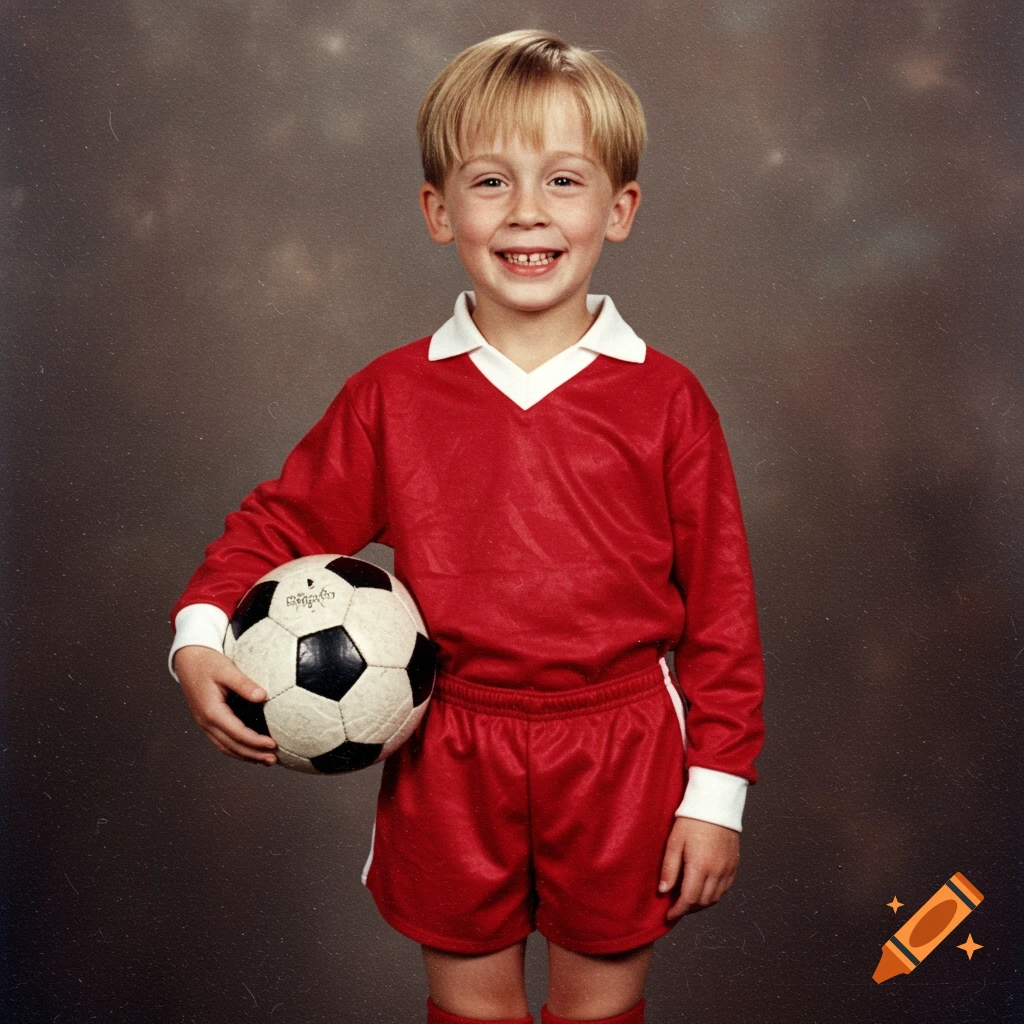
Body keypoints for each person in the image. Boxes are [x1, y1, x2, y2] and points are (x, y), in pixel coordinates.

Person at [169, 29, 765, 1024]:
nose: (527, 211)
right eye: (490, 182)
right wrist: (197, 636)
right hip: (449, 748)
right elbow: (276, 522)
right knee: (471, 1007)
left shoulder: (669, 403)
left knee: (598, 1007)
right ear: (437, 210)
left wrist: (715, 795)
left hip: (618, 752)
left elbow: (723, 620)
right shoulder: (392, 395)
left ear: (619, 209)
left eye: (563, 181)